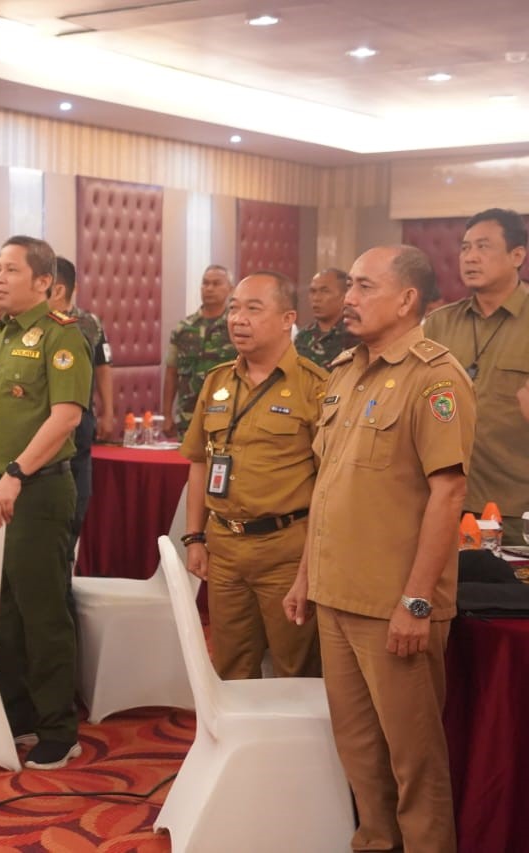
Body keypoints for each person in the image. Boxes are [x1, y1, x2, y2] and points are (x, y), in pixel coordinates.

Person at [284, 245, 473, 853]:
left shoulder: (435, 376)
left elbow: (449, 495)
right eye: (351, 287)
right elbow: (328, 487)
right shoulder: (344, 371)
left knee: (413, 763)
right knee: (360, 757)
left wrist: (416, 602)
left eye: (365, 287)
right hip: (337, 596)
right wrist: (305, 576)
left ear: (407, 299)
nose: (349, 299)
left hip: (394, 605)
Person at [0, 235, 91, 770]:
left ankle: (59, 728)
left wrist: (14, 474)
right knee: (2, 613)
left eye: (10, 270)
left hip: (36, 491)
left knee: (42, 611)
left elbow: (66, 418)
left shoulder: (62, 337)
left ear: (43, 283)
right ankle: (18, 717)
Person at [179, 271, 325, 679]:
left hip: (286, 550)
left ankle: (293, 746)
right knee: (230, 666)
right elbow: (199, 462)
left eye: (253, 309)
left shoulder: (315, 387)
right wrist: (194, 537)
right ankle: (241, 744)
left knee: (295, 668)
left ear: (287, 319)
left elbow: (328, 485)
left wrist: (310, 568)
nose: (238, 319)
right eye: (234, 309)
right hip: (225, 547)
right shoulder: (218, 381)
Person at [423, 207, 529, 542]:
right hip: (444, 500)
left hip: (516, 507)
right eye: (465, 248)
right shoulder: (439, 323)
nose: (470, 257)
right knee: (447, 595)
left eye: (483, 247)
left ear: (517, 255)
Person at [47, 257, 112, 571]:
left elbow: (103, 367)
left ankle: (67, 567)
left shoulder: (88, 323)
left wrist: (109, 411)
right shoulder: (30, 324)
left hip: (80, 427)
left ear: (58, 288)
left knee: (77, 503)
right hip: (43, 428)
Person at [163, 265, 237, 437]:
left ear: (230, 289)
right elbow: (171, 372)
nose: (209, 288)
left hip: (228, 415)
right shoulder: (184, 328)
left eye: (216, 283)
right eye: (205, 283)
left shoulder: (236, 326)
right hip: (189, 416)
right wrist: (167, 414)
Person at [295, 268, 358, 369]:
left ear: (345, 295)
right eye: (313, 291)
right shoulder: (302, 337)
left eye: (325, 291)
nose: (316, 298)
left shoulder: (356, 334)